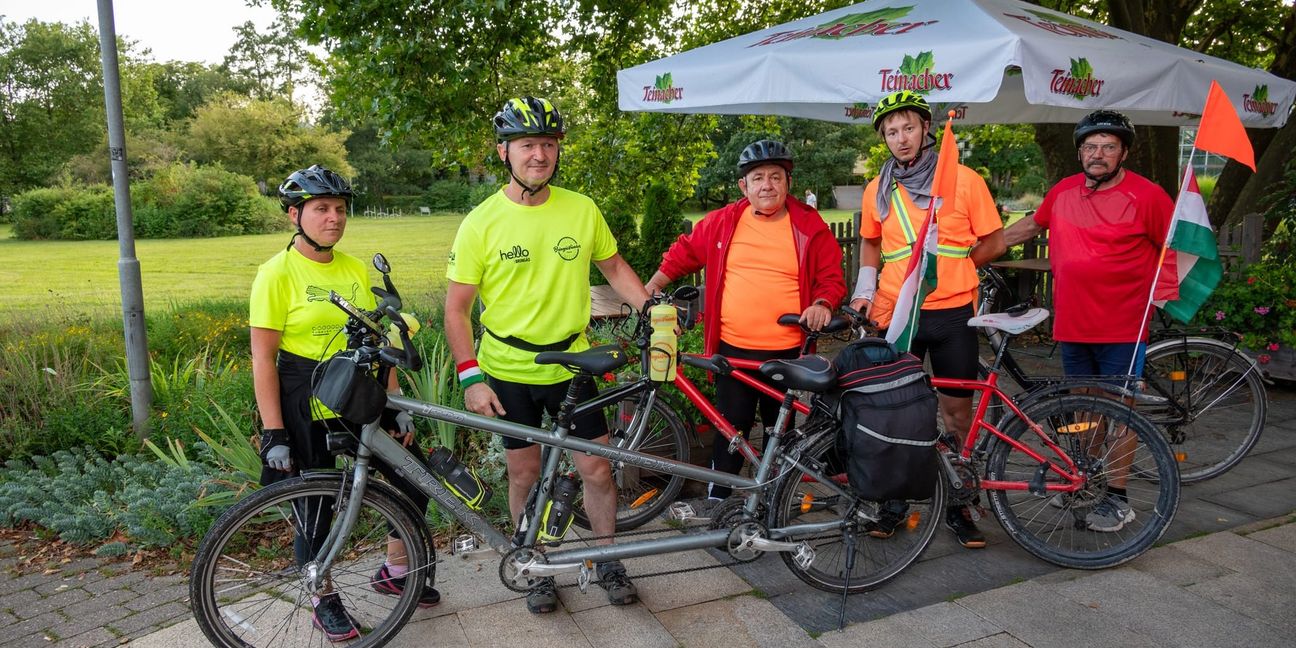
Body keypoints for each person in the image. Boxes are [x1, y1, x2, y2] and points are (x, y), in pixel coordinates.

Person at [444, 96, 650, 614]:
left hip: (573, 366)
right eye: (528, 145)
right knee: (524, 474)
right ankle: (534, 564)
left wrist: (654, 311)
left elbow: (615, 269)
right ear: (504, 152)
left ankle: (608, 561)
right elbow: (457, 310)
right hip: (509, 368)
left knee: (597, 470)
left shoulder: (581, 209)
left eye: (549, 145)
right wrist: (472, 376)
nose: (540, 154)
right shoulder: (480, 222)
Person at [250, 165, 439, 642]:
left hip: (357, 391)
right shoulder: (275, 274)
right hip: (302, 397)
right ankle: (323, 598)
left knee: (412, 479)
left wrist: (394, 403)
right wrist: (274, 433)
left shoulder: (355, 269)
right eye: (321, 209)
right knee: (315, 507)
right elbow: (263, 360)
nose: (333, 218)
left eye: (339, 209)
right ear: (295, 215)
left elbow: (380, 343)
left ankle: (395, 571)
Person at [644, 139, 845, 502]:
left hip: (785, 350)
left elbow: (831, 274)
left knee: (777, 430)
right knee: (729, 426)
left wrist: (822, 302)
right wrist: (653, 286)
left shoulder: (808, 224)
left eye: (775, 177)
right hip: (732, 349)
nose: (767, 185)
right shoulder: (723, 222)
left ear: (788, 183)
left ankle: (771, 499)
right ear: (744, 186)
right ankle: (720, 498)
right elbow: (685, 252)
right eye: (758, 178)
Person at [1002, 110, 1174, 533]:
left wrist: (1168, 295)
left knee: (1120, 413)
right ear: (1080, 152)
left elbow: (1175, 246)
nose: (1098, 154)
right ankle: (1092, 482)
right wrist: (968, 253)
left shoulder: (1147, 196)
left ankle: (1117, 500)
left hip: (1123, 323)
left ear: (1124, 153)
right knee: (1084, 409)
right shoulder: (1063, 191)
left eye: (1108, 147)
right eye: (1091, 147)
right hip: (1074, 323)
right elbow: (1027, 227)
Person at [848, 91, 1006, 549]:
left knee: (956, 412)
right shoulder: (878, 188)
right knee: (900, 413)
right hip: (899, 313)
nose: (901, 139)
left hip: (953, 314)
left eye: (908, 128)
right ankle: (896, 503)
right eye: (891, 131)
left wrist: (956, 266)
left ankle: (960, 502)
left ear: (926, 129)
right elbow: (871, 243)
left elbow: (994, 241)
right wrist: (864, 290)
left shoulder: (963, 179)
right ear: (884, 137)